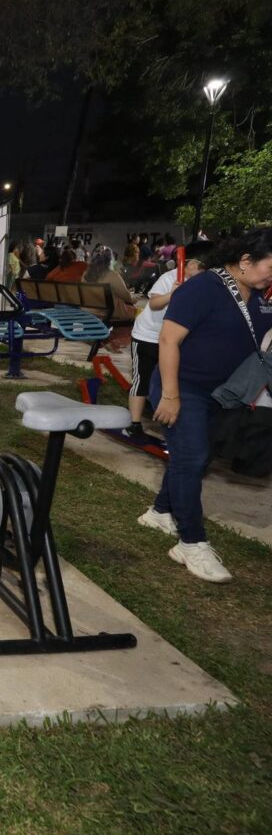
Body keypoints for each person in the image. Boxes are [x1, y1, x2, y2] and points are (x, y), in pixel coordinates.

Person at [140, 229, 272, 583]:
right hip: (183, 387)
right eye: (271, 266)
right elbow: (168, 340)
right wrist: (171, 396)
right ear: (246, 260)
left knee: (194, 456)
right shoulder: (202, 288)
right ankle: (191, 542)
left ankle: (160, 512)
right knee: (192, 457)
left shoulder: (260, 295)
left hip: (223, 393)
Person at [126, 240, 211, 440]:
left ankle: (165, 416)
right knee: (141, 379)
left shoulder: (203, 284)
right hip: (148, 336)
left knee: (170, 379)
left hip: (174, 341)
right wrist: (172, 294)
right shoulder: (170, 277)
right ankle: (134, 423)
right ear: (192, 265)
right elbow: (154, 303)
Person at [81, 245, 138, 352]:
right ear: (110, 260)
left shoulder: (86, 274)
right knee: (135, 315)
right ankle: (113, 341)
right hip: (107, 312)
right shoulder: (112, 275)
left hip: (88, 310)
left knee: (126, 314)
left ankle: (104, 340)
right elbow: (125, 296)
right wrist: (134, 299)